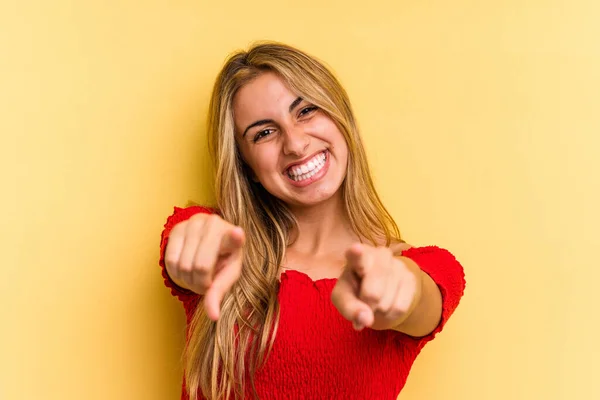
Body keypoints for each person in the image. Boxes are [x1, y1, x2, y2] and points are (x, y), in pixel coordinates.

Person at [159, 42, 466, 400]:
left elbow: (421, 300)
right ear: (247, 167)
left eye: (305, 110)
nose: (296, 144)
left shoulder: (416, 268)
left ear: (341, 118)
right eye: (264, 132)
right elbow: (187, 251)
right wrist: (192, 249)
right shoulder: (221, 245)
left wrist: (404, 291)